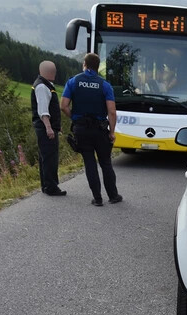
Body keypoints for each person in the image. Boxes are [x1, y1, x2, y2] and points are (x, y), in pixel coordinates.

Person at [60, 53, 122, 207]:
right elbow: (112, 111)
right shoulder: (104, 85)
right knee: (106, 163)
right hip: (100, 130)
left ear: (84, 64)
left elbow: (63, 105)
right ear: (97, 66)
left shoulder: (73, 82)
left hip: (81, 129)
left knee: (89, 163)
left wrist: (74, 118)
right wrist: (112, 132)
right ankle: (113, 196)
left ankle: (97, 198)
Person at [31, 60, 66, 196]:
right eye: (52, 70)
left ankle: (46, 185)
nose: (54, 72)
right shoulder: (42, 87)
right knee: (50, 158)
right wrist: (49, 127)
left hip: (47, 128)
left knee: (46, 157)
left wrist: (57, 126)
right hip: (45, 128)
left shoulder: (45, 85)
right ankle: (51, 187)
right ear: (45, 72)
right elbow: (43, 110)